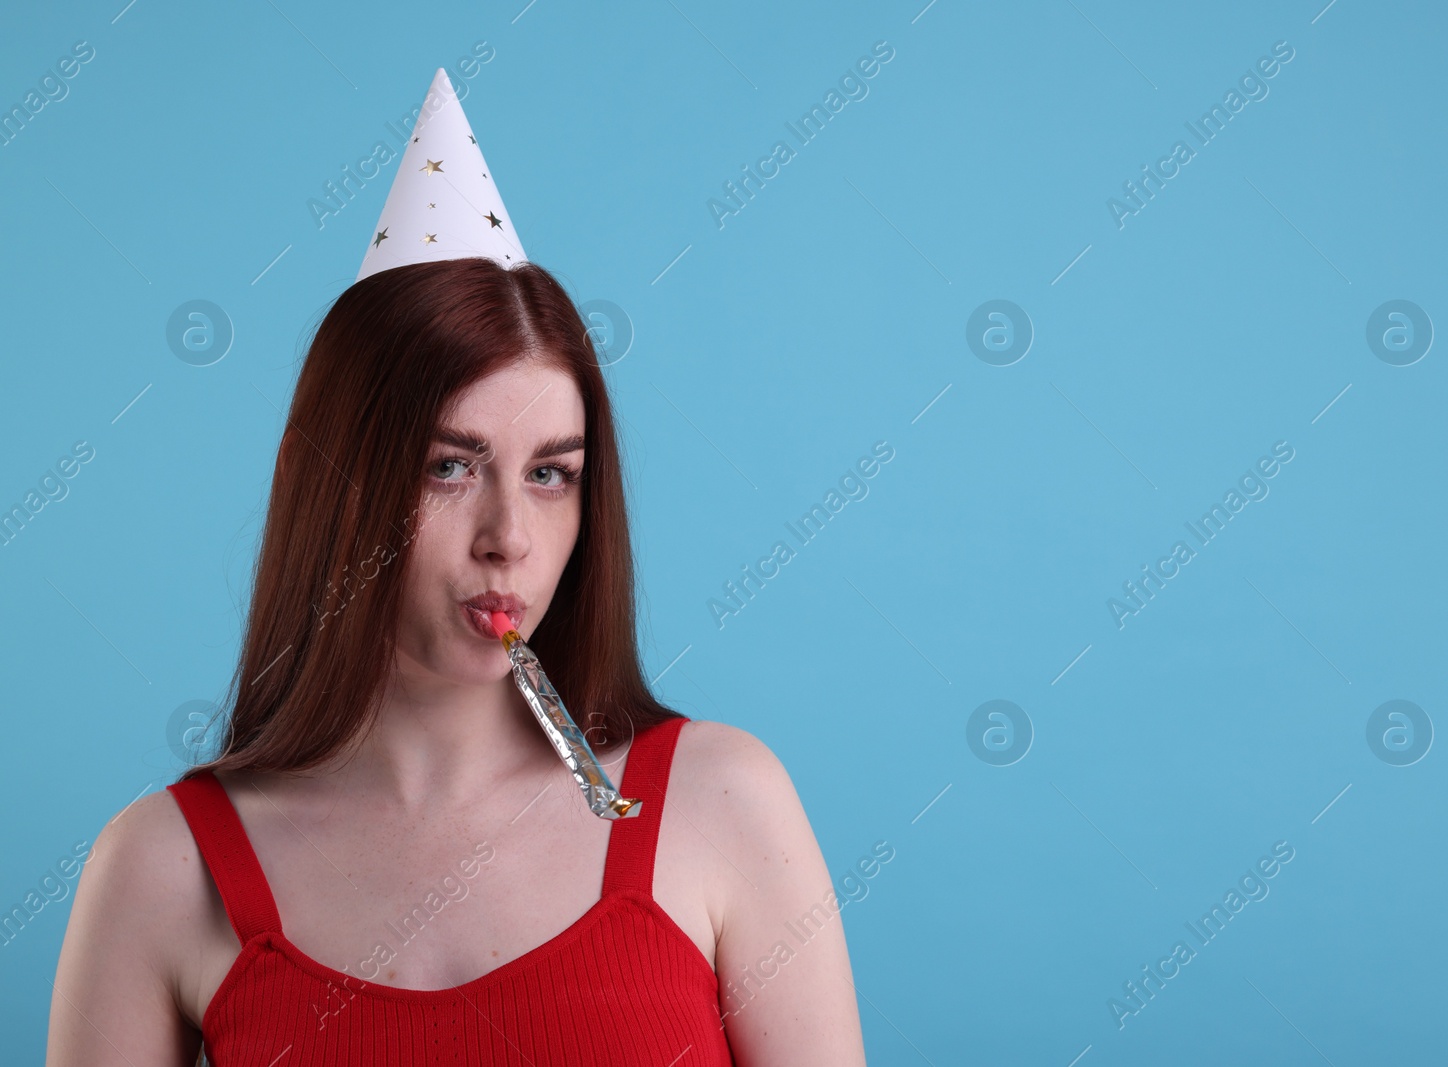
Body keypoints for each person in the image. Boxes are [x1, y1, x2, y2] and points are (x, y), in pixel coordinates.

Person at [46, 69, 868, 1067]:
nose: (509, 535)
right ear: (338, 485)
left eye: (551, 473)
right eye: (448, 466)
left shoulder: (724, 801)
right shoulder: (161, 868)